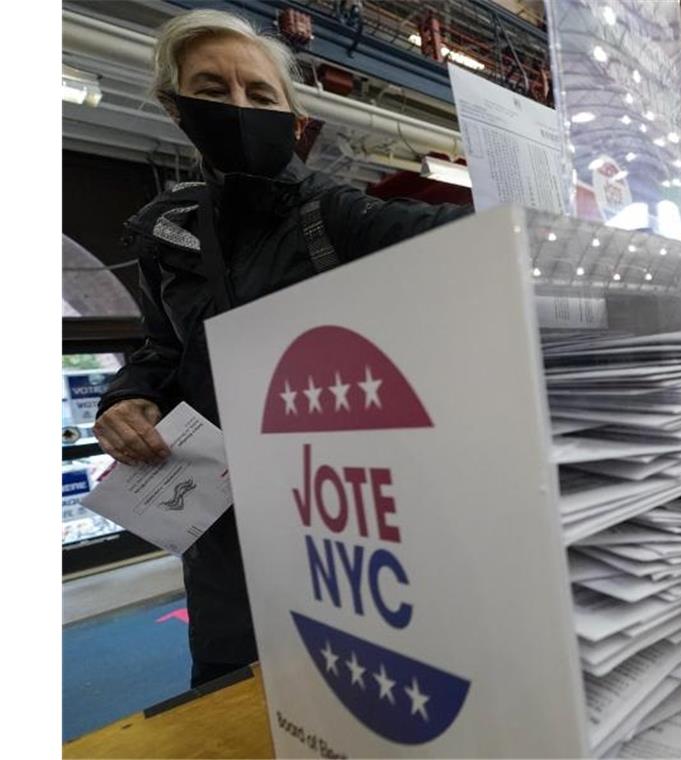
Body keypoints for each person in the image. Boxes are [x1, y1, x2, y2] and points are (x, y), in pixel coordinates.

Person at [92, 9, 469, 687]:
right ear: (175, 108)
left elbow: (471, 238)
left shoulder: (336, 217)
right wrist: (128, 397)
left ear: (293, 118)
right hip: (221, 532)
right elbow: (162, 346)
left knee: (358, 688)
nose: (238, 107)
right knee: (229, 689)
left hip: (339, 518)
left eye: (260, 95)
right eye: (211, 90)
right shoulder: (164, 233)